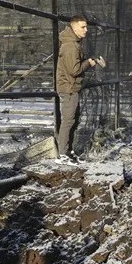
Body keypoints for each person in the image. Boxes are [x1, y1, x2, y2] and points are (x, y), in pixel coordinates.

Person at [55, 15, 97, 164]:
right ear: (74, 28)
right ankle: (62, 155)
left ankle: (69, 152)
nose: (86, 30)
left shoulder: (74, 43)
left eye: (86, 27)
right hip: (68, 88)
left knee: (73, 119)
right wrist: (88, 63)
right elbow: (74, 70)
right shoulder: (70, 46)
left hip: (72, 87)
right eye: (82, 27)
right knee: (68, 121)